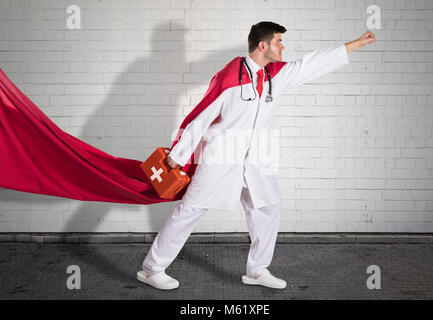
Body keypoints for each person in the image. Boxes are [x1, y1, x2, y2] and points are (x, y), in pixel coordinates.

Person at [137, 21, 376, 290]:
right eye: (278, 42)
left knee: (268, 207)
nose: (283, 46)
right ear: (263, 46)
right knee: (190, 209)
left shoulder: (274, 75)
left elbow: (310, 65)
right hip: (221, 156)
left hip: (256, 158)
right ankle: (151, 269)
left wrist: (353, 45)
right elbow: (202, 115)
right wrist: (179, 154)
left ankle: (257, 270)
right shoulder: (229, 76)